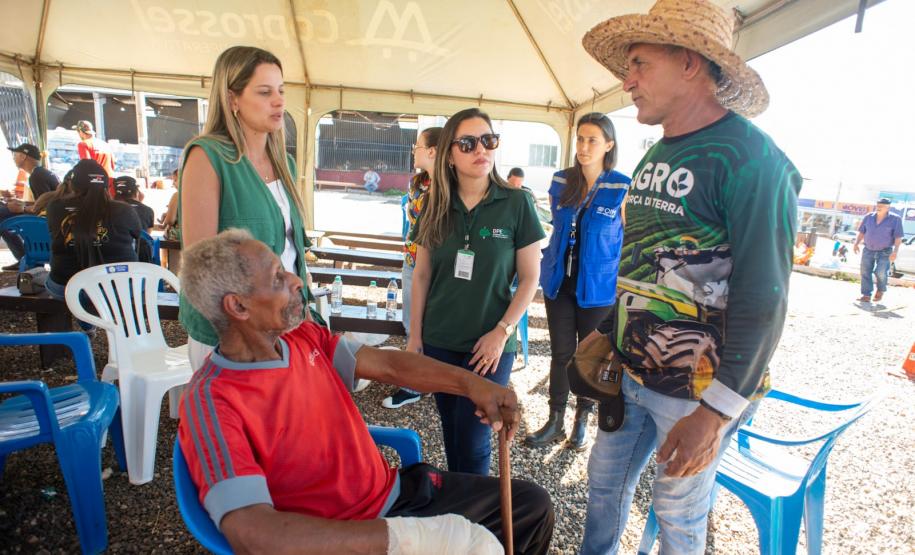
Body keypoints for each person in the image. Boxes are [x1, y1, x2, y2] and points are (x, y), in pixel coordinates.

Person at [576, 1, 800, 553]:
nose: (627, 82)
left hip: (697, 391)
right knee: (602, 492)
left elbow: (764, 299)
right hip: (631, 374)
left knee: (678, 518)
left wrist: (718, 412)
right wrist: (610, 326)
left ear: (690, 63)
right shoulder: (658, 153)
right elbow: (640, 262)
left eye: (638, 64)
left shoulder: (753, 161)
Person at [177, 229, 554, 555]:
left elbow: (391, 365)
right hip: (341, 536)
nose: (295, 280)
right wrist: (403, 539)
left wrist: (473, 385)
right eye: (277, 278)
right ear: (238, 306)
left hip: (395, 493)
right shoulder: (211, 403)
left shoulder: (301, 337)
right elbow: (254, 536)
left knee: (530, 508)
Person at [409, 107, 545, 475]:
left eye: (488, 140)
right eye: (467, 143)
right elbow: (421, 276)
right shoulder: (434, 204)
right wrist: (415, 340)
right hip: (439, 341)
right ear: (449, 155)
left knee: (474, 439)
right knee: (452, 431)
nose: (480, 150)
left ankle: (477, 516)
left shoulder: (517, 203)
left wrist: (502, 332)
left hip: (489, 348)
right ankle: (460, 505)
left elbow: (530, 278)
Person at [180, 45, 312, 371]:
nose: (279, 101)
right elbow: (201, 267)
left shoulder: (285, 164)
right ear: (232, 99)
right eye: (265, 92)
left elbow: (292, 254)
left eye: (281, 91)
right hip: (231, 339)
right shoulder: (208, 157)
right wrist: (244, 336)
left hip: (281, 326)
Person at [524, 113, 630, 452]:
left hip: (598, 290)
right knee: (560, 354)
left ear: (608, 145)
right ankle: (555, 420)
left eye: (593, 140)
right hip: (559, 283)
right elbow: (557, 227)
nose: (584, 147)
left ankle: (581, 421)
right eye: (580, 139)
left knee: (588, 357)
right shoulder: (560, 181)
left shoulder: (621, 187)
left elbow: (630, 242)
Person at [383, 126, 443, 409]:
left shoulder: (448, 188)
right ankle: (417, 380)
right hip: (411, 260)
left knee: (425, 324)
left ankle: (417, 383)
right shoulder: (417, 183)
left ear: (432, 151)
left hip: (435, 266)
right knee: (412, 322)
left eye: (418, 145)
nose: (413, 150)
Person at [45, 159, 142, 299]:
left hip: (65, 286)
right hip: (117, 287)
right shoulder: (124, 210)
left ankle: (77, 320)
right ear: (106, 185)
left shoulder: (54, 207)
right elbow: (138, 235)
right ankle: (103, 318)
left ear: (72, 185)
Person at [2, 143, 59, 270]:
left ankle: (23, 256)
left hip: (46, 224)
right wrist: (23, 204)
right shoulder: (43, 172)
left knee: (3, 213)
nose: (13, 158)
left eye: (15, 155)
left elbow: (44, 208)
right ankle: (22, 256)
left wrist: (21, 208)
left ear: (23, 156)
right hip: (50, 220)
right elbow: (43, 201)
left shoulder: (36, 176)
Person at [854, 198, 904, 303]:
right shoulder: (868, 217)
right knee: (865, 272)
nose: (879, 207)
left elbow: (898, 237)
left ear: (888, 207)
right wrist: (856, 243)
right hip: (868, 249)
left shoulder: (895, 219)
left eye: (882, 206)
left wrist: (895, 251)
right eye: (878, 205)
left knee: (880, 272)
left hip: (885, 251)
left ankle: (880, 290)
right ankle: (866, 295)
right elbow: (862, 232)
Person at [73, 120, 116, 196]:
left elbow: (86, 166)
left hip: (96, 186)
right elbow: (113, 165)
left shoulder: (83, 144)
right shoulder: (105, 144)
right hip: (110, 184)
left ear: (81, 132)